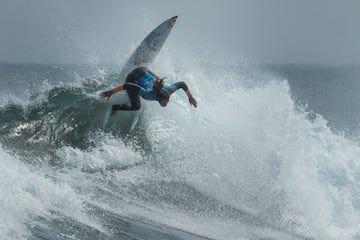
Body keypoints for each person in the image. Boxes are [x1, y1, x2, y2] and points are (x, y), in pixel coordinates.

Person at [100, 67, 197, 114]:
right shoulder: (148, 94)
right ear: (158, 99)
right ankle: (115, 107)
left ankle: (140, 66)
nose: (166, 104)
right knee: (136, 106)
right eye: (165, 102)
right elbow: (127, 85)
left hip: (144, 69)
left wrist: (190, 97)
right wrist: (111, 92)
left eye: (166, 102)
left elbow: (182, 84)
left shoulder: (169, 90)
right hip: (132, 76)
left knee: (159, 81)